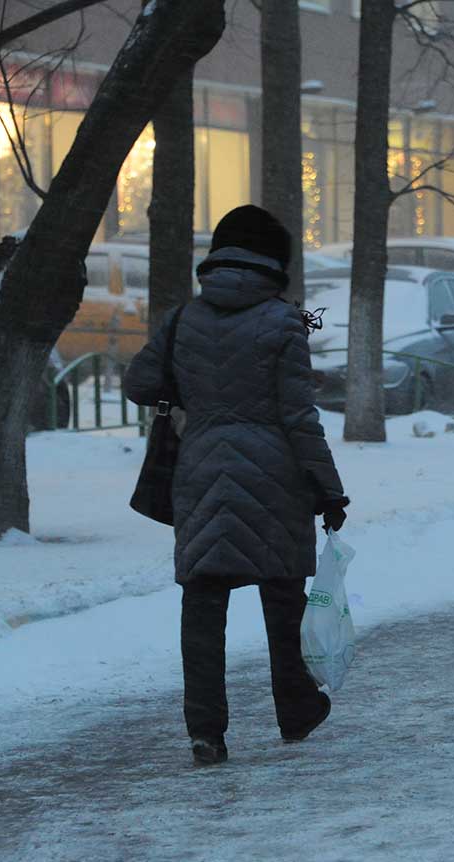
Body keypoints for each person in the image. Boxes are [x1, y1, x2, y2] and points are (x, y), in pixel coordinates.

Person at [125, 204, 350, 766]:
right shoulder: (286, 321)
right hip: (274, 476)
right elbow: (299, 416)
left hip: (200, 469)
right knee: (282, 597)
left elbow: (139, 381)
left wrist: (198, 394)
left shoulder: (184, 318)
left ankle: (206, 732)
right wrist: (328, 488)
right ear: (276, 263)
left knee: (202, 605)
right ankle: (296, 709)